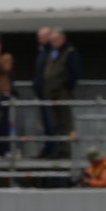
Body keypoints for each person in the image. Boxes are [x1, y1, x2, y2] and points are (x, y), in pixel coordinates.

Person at [43, 28, 80, 159]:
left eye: (55, 40)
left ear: (62, 39)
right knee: (56, 123)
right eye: (51, 41)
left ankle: (66, 150)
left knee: (65, 123)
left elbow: (74, 73)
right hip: (51, 93)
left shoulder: (70, 53)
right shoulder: (52, 53)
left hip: (63, 94)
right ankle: (59, 149)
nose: (53, 43)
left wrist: (66, 88)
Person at [33, 26, 55, 159]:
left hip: (49, 93)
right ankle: (47, 148)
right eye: (39, 36)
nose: (40, 39)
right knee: (45, 123)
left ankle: (52, 149)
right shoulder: (42, 51)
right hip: (41, 93)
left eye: (42, 36)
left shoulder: (52, 52)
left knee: (51, 122)